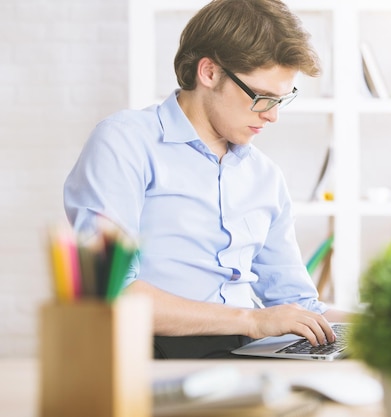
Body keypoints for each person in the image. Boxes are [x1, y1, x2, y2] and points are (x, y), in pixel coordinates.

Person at [64, 0, 349, 359]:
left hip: (249, 356)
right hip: (152, 356)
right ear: (210, 73)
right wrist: (252, 320)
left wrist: (382, 323)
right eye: (262, 97)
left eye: (282, 99)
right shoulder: (125, 142)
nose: (273, 116)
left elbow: (300, 305)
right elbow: (110, 291)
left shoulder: (265, 176)